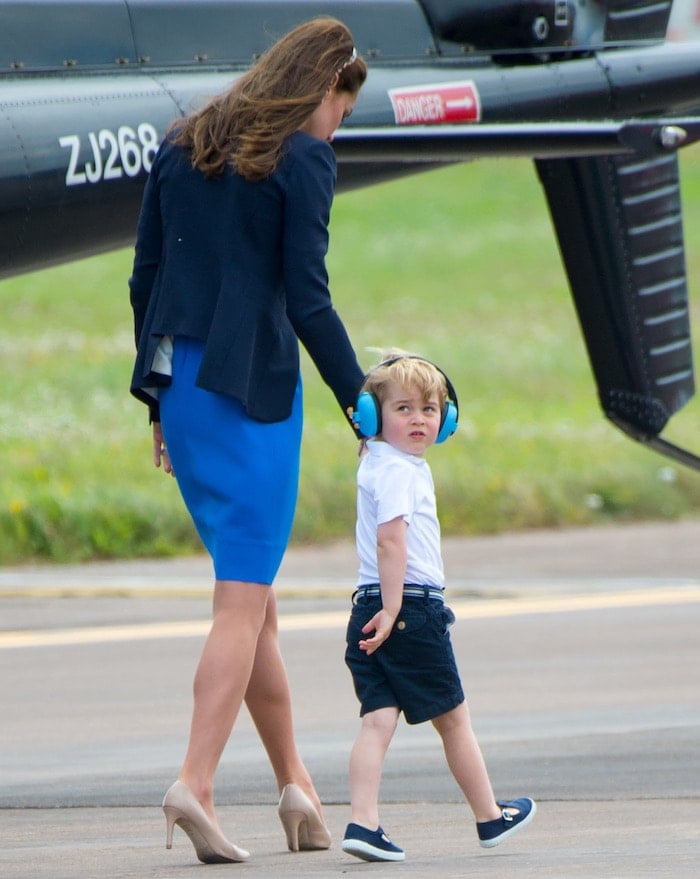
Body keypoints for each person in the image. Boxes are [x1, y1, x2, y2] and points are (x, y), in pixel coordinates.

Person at [128, 17, 367, 865]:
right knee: (241, 596)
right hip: (252, 391)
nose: (341, 124)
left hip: (184, 390)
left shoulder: (182, 144)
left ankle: (296, 785)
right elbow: (307, 298)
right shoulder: (303, 158)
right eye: (343, 106)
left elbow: (145, 277)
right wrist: (360, 402)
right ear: (321, 91)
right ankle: (193, 781)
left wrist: (155, 401)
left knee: (255, 598)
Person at [342, 353, 536, 862]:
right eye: (403, 408)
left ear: (445, 420)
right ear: (370, 415)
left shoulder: (375, 460)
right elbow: (391, 542)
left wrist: (378, 609)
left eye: (431, 409)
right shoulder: (400, 472)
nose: (419, 419)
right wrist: (393, 609)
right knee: (453, 720)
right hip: (407, 608)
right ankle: (490, 816)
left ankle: (363, 822)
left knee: (377, 720)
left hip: (367, 607)